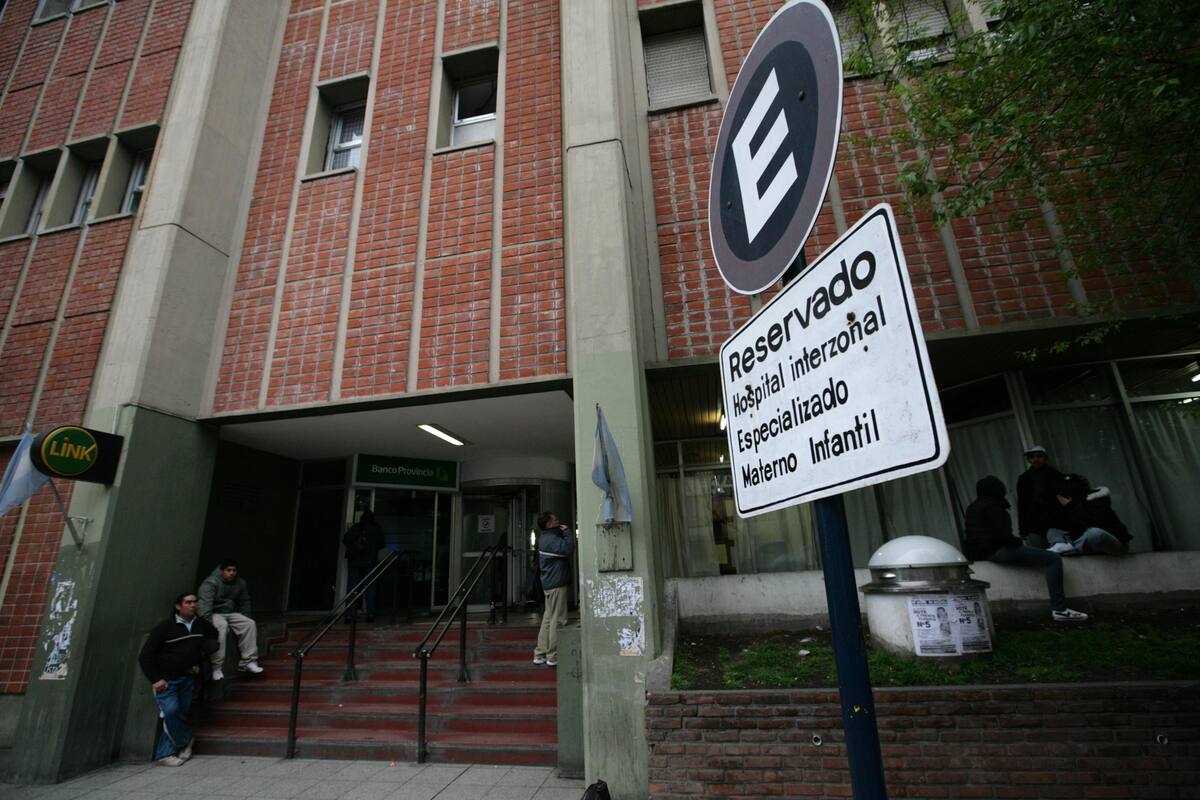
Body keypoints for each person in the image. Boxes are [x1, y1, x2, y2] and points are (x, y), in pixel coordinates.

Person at [964, 475, 1088, 622]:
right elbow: (1003, 536)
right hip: (997, 550)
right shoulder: (994, 507)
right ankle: (1060, 609)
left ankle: (1060, 610)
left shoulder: (973, 507)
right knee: (1053, 558)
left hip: (982, 553)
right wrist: (1019, 543)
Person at [137, 592, 218, 766]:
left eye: (195, 602)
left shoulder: (200, 624)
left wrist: (202, 652)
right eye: (188, 602)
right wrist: (156, 679)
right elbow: (145, 656)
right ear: (178, 606)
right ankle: (186, 739)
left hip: (188, 678)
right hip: (167, 680)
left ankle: (166, 754)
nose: (193, 605)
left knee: (178, 715)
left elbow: (213, 634)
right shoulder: (165, 627)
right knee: (171, 712)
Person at [197, 559, 262, 680]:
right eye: (228, 570)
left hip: (230, 612)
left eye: (234, 570)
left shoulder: (240, 583)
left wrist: (245, 616)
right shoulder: (211, 582)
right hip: (214, 613)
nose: (232, 573)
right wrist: (206, 624)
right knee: (221, 626)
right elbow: (204, 604)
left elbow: (245, 601)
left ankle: (248, 662)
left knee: (249, 623)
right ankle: (217, 667)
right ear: (222, 571)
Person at [1045, 473, 1130, 555]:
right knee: (1053, 531)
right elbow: (1070, 528)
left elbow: (1096, 523)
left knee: (1095, 533)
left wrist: (1071, 505)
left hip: (1115, 544)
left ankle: (1072, 547)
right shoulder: (1069, 507)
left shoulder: (1097, 501)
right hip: (1091, 546)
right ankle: (1061, 545)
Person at [532, 512, 575, 667]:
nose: (558, 521)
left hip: (549, 584)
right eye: (555, 520)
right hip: (556, 584)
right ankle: (553, 655)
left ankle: (540, 652)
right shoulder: (551, 540)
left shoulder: (545, 538)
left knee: (548, 619)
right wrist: (568, 532)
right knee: (558, 619)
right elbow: (568, 548)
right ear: (549, 524)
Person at [342, 509, 386, 622]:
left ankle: (349, 615)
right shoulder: (376, 529)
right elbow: (382, 544)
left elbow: (345, 540)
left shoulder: (357, 527)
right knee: (370, 588)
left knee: (352, 588)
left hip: (355, 561)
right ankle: (370, 613)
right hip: (370, 561)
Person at [1016, 444, 1064, 542]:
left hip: (1057, 523)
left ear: (1045, 458)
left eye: (1039, 456)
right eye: (1032, 457)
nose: (1035, 459)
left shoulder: (1055, 475)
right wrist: (1023, 530)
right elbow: (1022, 505)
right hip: (1035, 526)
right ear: (1028, 460)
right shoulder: (1024, 479)